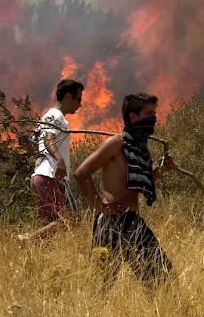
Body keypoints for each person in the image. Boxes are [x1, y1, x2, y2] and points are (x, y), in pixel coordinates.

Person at [73, 92, 176, 294]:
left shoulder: (139, 148)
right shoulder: (116, 144)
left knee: (161, 278)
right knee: (101, 283)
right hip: (112, 221)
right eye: (149, 113)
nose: (153, 118)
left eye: (154, 113)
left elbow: (137, 181)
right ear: (133, 116)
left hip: (133, 221)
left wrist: (163, 169)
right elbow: (80, 173)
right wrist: (101, 207)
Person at [17, 79, 84, 241]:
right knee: (70, 219)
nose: (80, 105)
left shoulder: (47, 117)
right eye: (78, 99)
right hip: (51, 176)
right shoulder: (54, 115)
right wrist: (59, 160)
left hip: (40, 176)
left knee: (52, 222)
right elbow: (48, 140)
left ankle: (40, 255)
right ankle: (28, 239)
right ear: (68, 97)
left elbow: (37, 145)